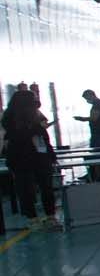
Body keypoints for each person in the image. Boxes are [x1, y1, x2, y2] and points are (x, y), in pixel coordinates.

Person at [2, 86, 59, 228]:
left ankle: (35, 218)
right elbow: (36, 135)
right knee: (42, 187)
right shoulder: (17, 117)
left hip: (23, 157)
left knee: (27, 189)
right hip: (33, 156)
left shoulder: (12, 116)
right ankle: (48, 216)